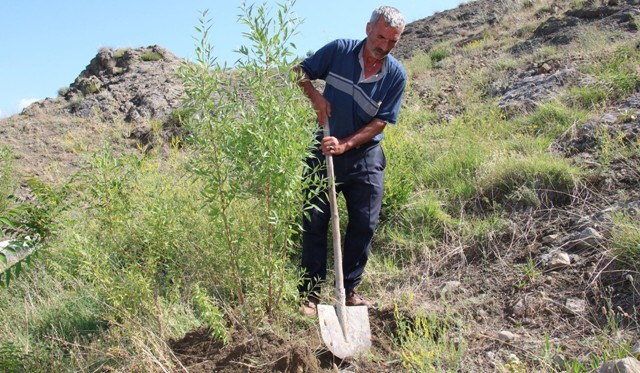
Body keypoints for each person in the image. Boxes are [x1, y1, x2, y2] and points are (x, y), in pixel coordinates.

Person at [294, 6, 407, 316]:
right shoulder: (339, 50)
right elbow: (299, 72)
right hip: (323, 150)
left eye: (392, 41)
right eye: (381, 36)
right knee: (315, 220)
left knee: (364, 223)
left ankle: (349, 290)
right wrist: (315, 97)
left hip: (365, 155)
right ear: (369, 28)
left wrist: (346, 144)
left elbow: (381, 122)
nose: (384, 46)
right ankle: (310, 294)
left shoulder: (396, 74)